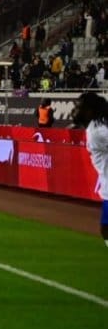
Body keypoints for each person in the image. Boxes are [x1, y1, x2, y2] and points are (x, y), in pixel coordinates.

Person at [70, 92, 108, 247]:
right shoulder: (97, 127)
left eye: (80, 107)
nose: (75, 110)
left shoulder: (97, 132)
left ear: (90, 111)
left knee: (106, 228)